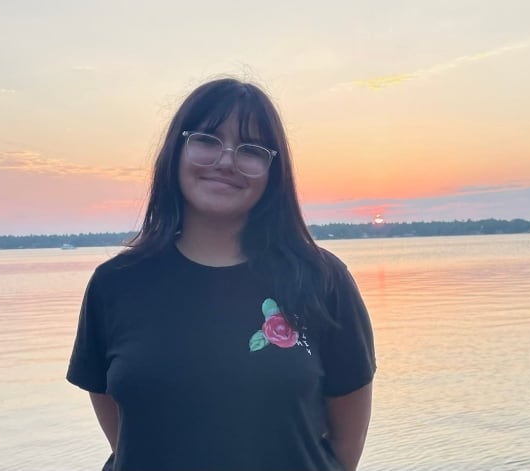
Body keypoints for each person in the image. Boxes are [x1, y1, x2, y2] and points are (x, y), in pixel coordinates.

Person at [66, 78, 376, 471]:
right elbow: (125, 430)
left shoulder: (321, 280)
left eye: (250, 149)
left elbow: (345, 447)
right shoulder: (116, 284)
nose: (226, 161)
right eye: (208, 140)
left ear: (272, 170)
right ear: (178, 150)